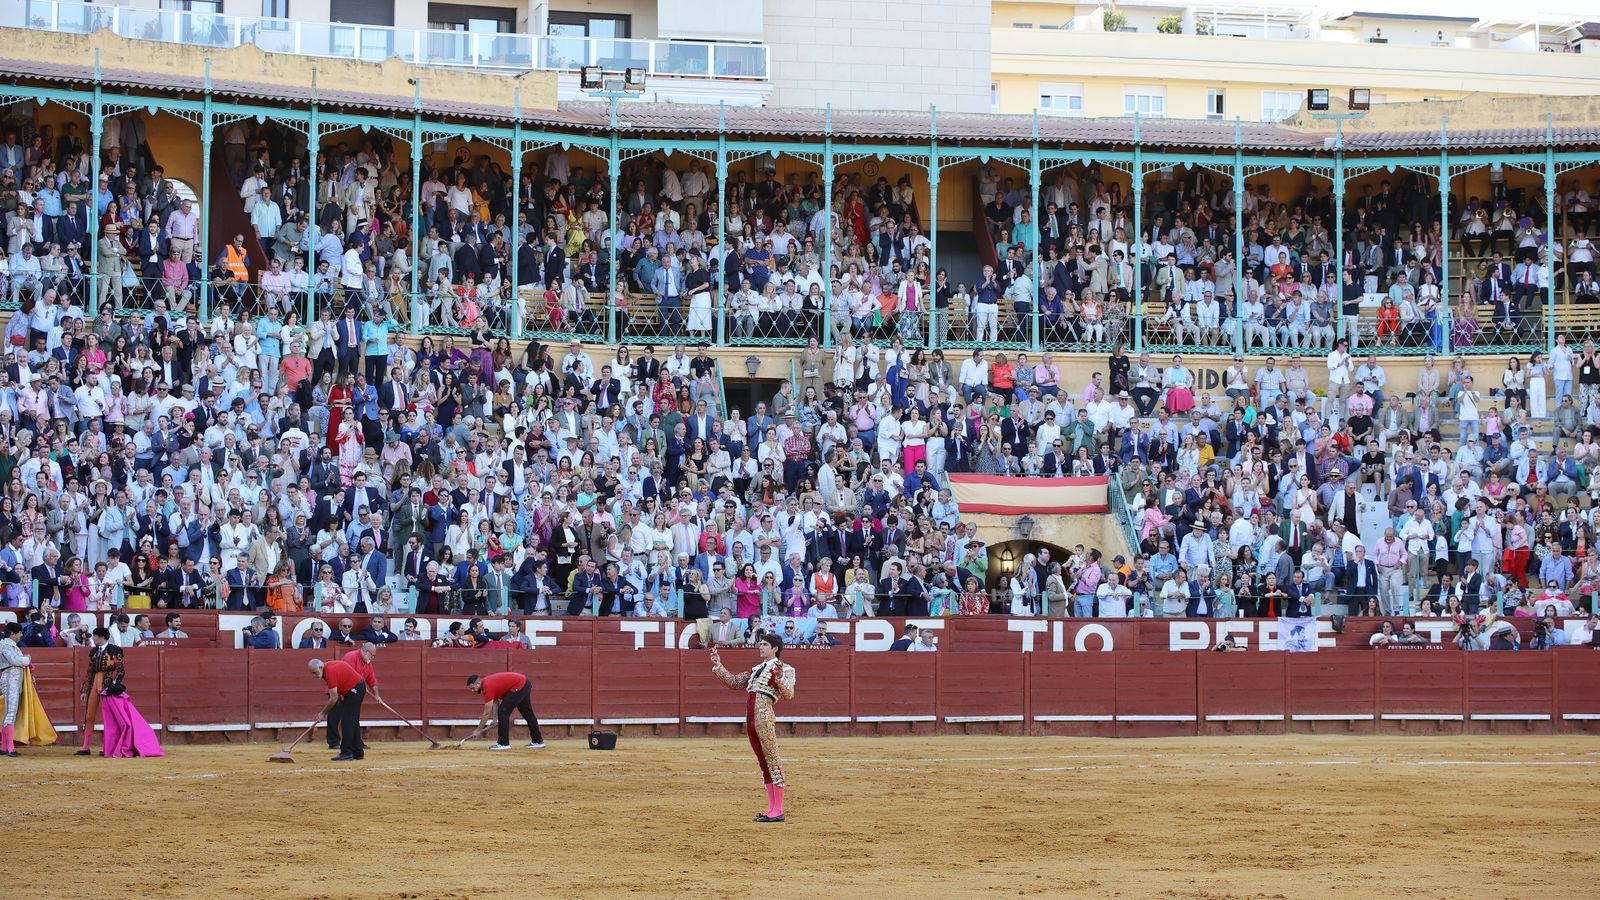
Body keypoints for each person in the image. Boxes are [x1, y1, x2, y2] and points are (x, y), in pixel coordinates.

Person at [710, 634, 796, 823]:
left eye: (765, 644)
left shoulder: (785, 669)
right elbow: (734, 682)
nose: (760, 647)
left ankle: (778, 809)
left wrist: (780, 677)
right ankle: (772, 809)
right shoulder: (756, 670)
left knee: (773, 760)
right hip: (751, 719)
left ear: (775, 648)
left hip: (764, 719)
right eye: (760, 644)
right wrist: (718, 665)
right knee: (763, 763)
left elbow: (789, 694)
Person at [462, 671, 546, 750]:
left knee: (503, 711)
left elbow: (486, 713)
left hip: (519, 685)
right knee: (527, 714)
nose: (473, 691)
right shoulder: (486, 684)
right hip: (524, 683)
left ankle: (503, 743)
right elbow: (495, 702)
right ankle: (538, 741)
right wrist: (495, 720)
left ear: (478, 683)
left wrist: (478, 730)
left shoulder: (487, 686)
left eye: (473, 688)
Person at [77, 627, 126, 756]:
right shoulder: (93, 652)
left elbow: (121, 670)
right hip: (95, 684)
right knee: (89, 716)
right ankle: (85, 747)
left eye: (94, 636)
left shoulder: (115, 651)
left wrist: (114, 686)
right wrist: (84, 690)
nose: (92, 638)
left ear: (101, 637)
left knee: (108, 718)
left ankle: (107, 747)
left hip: (107, 686)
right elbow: (90, 672)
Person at [327, 642, 382, 752]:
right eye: (372, 655)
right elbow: (347, 675)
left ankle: (357, 743)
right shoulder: (351, 657)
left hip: (353, 693)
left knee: (353, 717)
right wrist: (360, 685)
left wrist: (377, 695)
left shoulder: (367, 663)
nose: (373, 658)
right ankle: (333, 742)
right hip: (339, 690)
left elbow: (372, 680)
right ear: (366, 652)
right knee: (335, 715)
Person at [309, 656, 367, 761]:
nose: (314, 675)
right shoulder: (327, 669)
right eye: (312, 673)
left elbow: (333, 698)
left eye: (315, 672)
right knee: (352, 722)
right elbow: (338, 689)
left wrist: (323, 713)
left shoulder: (329, 671)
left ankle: (346, 752)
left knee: (347, 722)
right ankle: (358, 752)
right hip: (355, 689)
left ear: (321, 667)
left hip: (355, 690)